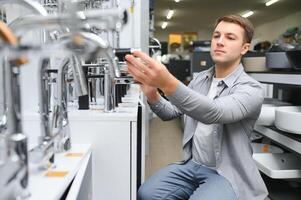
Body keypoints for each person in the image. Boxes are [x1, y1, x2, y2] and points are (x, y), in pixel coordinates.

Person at [125, 15, 268, 200]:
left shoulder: (251, 89)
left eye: (230, 37)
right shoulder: (200, 79)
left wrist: (168, 83)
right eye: (217, 36)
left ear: (244, 48)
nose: (220, 42)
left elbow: (214, 112)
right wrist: (152, 93)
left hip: (225, 172)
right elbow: (172, 113)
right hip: (193, 165)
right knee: (147, 193)